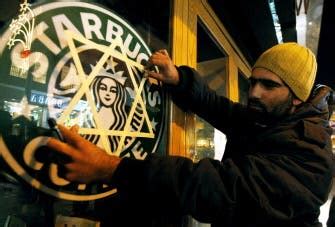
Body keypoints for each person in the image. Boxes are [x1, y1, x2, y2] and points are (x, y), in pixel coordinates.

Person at [46, 43, 334, 226]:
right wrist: (179, 80)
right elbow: (218, 107)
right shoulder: (267, 117)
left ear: (297, 97)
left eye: (268, 85)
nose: (254, 93)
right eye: (253, 82)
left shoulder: (311, 155)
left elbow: (222, 188)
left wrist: (113, 168)